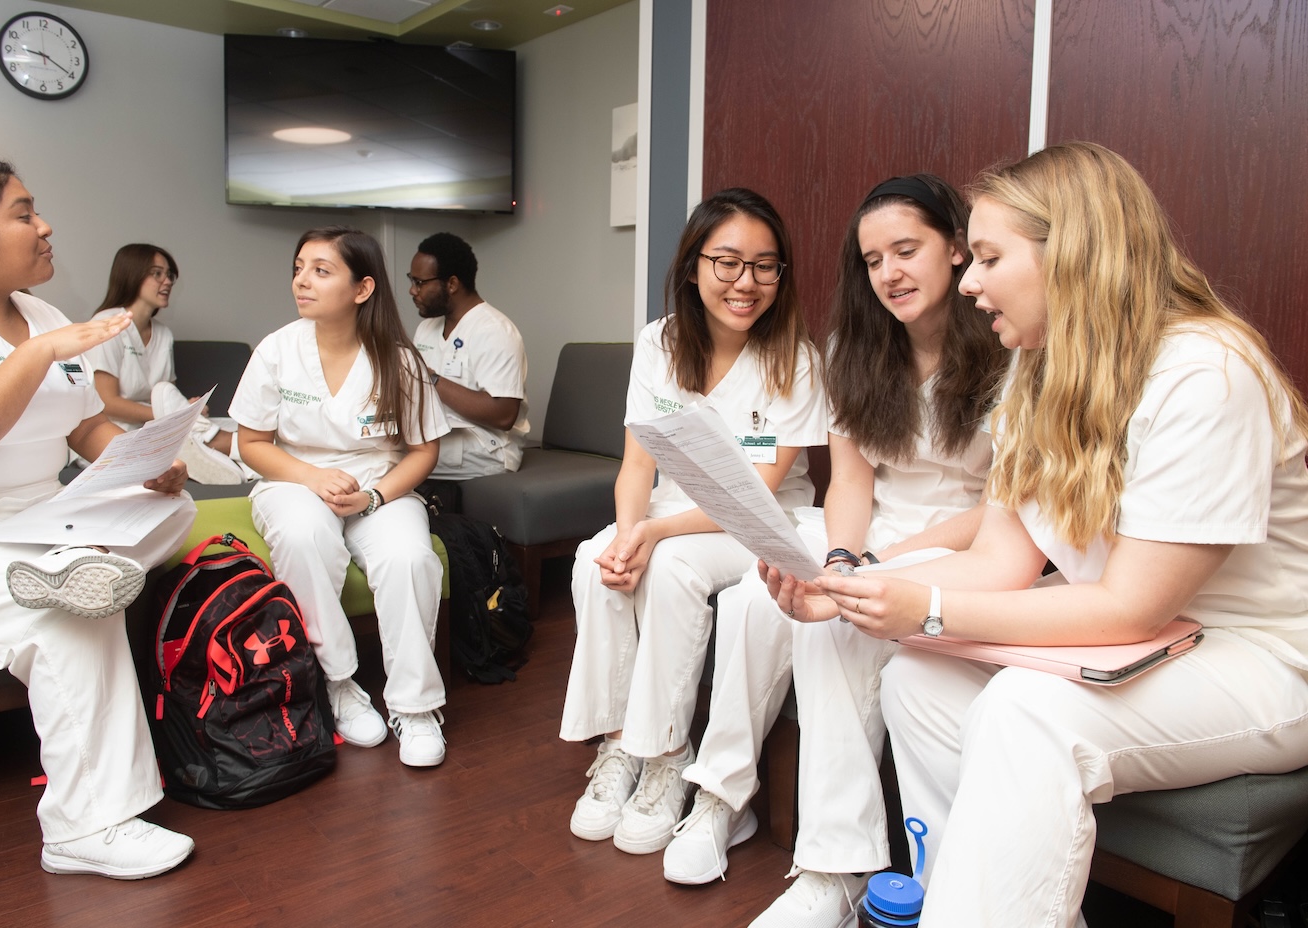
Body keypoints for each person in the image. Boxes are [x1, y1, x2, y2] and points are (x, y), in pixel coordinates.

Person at [772, 142, 1308, 928]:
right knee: (917, 682)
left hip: (1258, 653)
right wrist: (851, 587)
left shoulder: (1207, 372)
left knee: (1026, 710)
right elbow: (1000, 559)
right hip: (1144, 632)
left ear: (1076, 253)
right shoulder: (1035, 368)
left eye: (987, 256)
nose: (968, 280)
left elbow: (1130, 608)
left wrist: (924, 608)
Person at [665, 175, 1006, 925]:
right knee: (762, 593)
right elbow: (850, 481)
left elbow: (1002, 515)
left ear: (957, 249)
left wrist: (877, 571)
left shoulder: (1009, 344)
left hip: (968, 542)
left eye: (907, 250)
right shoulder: (857, 346)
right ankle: (722, 799)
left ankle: (838, 869)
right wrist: (846, 558)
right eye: (874, 258)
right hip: (870, 528)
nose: (890, 272)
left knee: (835, 629)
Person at [0, 152, 197, 878]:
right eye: (23, 213)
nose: (45, 227)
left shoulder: (40, 313)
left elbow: (83, 430)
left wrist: (143, 459)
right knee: (73, 615)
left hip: (46, 519)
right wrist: (39, 353)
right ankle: (84, 829)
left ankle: (75, 569)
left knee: (173, 506)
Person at [560, 188, 828, 855]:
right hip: (666, 510)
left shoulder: (796, 358)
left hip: (761, 521)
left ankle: (667, 756)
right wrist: (628, 533)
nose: (747, 283)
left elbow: (759, 491)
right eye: (728, 263)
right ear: (693, 266)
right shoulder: (661, 343)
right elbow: (636, 466)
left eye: (766, 266)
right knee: (598, 564)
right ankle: (619, 743)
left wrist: (653, 535)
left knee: (670, 567)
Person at [230, 225, 451, 767]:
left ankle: (414, 706)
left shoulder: (399, 361)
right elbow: (252, 443)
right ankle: (339, 683)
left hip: (378, 484)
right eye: (299, 267)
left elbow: (424, 452)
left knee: (410, 558)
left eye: (321, 271)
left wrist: (374, 497)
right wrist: (311, 476)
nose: (302, 281)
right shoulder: (277, 350)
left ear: (362, 288)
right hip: (291, 478)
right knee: (305, 536)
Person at [84, 243, 246, 485]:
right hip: (116, 429)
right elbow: (106, 402)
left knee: (231, 423)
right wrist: (171, 415)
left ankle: (237, 456)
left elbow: (164, 394)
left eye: (169, 275)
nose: (168, 281)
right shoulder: (106, 324)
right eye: (157, 273)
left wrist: (186, 408)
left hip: (155, 424)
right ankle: (230, 447)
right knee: (199, 429)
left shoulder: (163, 334)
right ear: (132, 275)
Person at [408, 232, 529, 480]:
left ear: (452, 284)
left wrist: (431, 380)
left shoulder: (494, 330)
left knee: (388, 460)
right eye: (412, 280)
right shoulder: (426, 329)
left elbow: (504, 415)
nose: (412, 290)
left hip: (484, 447)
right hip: (438, 434)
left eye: (420, 283)